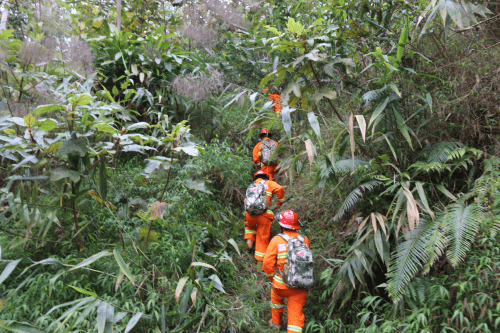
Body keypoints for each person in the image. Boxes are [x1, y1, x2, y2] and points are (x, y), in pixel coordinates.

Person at [263, 210, 311, 333]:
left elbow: (267, 264)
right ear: (296, 225)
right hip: (300, 284)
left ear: (281, 225)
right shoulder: (305, 239)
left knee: (276, 301)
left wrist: (272, 278)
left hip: (280, 284)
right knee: (296, 314)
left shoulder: (276, 240)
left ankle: (276, 324)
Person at [245, 170, 285, 263]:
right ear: (266, 176)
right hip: (264, 215)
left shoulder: (251, 186)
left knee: (250, 227)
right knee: (262, 237)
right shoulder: (269, 183)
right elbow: (279, 188)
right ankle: (260, 262)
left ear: (255, 177)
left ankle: (249, 244)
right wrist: (279, 203)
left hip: (250, 215)